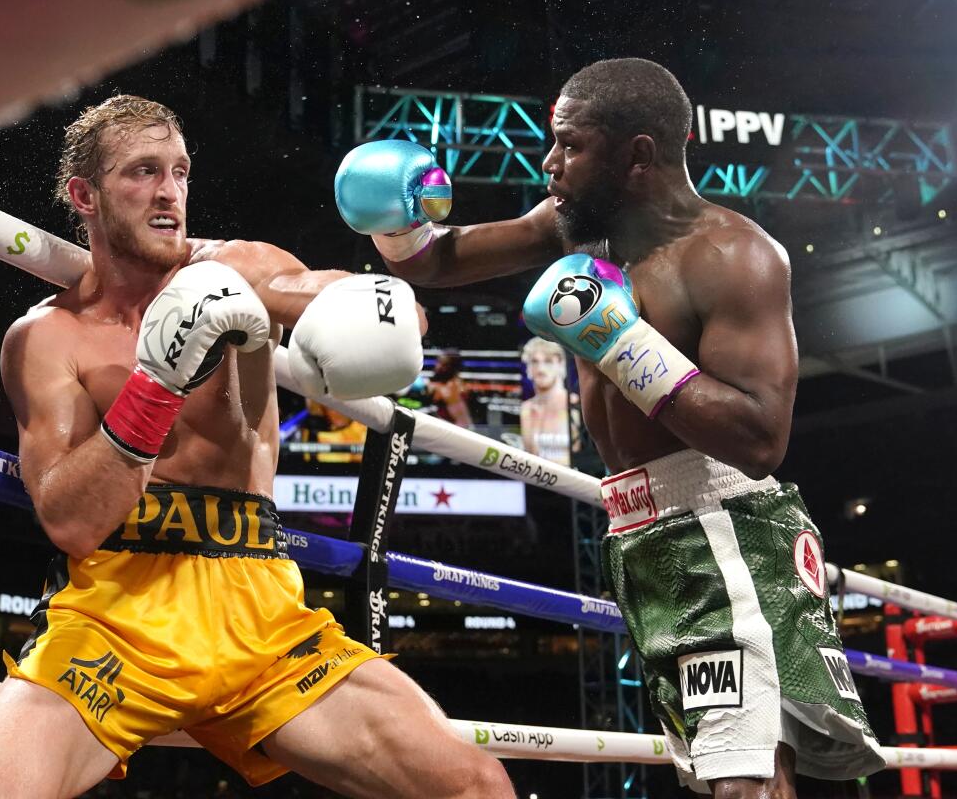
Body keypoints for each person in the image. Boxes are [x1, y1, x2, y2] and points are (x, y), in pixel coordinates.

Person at [335, 59, 884, 797]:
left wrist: (621, 342)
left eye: (571, 147)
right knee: (729, 771)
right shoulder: (573, 229)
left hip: (724, 528)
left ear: (638, 156)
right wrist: (398, 222)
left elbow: (759, 440)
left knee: (742, 776)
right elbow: (441, 262)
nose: (549, 163)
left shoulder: (733, 256)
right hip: (640, 535)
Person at [0, 95, 513, 799]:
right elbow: (70, 520)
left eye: (180, 172)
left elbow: (336, 296)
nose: (168, 193)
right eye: (143, 172)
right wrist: (158, 381)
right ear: (84, 195)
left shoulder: (235, 269)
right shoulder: (46, 338)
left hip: (263, 617)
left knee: (474, 787)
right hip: (116, 619)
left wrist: (376, 306)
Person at [519, 337, 572, 465]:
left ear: (560, 364)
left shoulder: (574, 404)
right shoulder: (526, 408)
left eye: (548, 361)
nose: (541, 369)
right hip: (538, 481)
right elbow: (529, 457)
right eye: (535, 362)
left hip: (573, 481)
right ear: (528, 367)